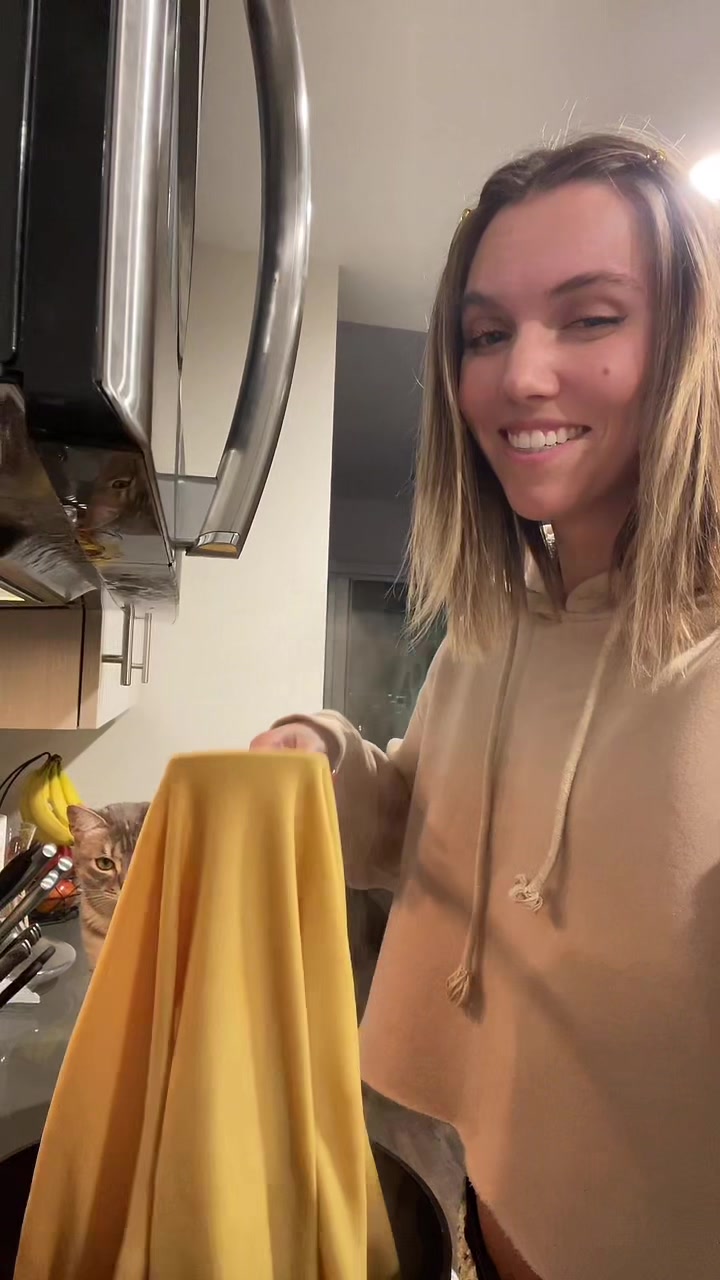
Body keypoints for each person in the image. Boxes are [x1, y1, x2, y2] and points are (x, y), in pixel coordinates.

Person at [251, 131, 720, 1280]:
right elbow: (427, 815)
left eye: (591, 317)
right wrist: (324, 756)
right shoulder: (487, 633)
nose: (520, 377)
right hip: (488, 1224)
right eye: (486, 333)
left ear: (693, 344)